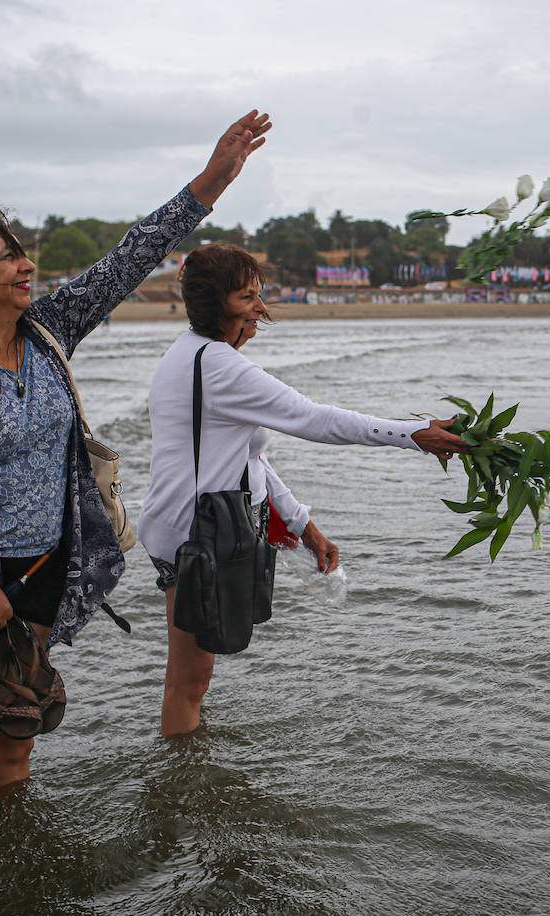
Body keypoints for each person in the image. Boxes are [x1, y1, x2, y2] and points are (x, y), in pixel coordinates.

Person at [0, 109, 273, 805]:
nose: (26, 264)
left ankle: (3, 879)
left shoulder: (50, 331)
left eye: (22, 251)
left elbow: (128, 258)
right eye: (6, 256)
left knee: (12, 741)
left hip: (39, 578)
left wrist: (209, 185)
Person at [138, 244, 468, 737]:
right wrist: (413, 434)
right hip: (196, 536)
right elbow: (316, 419)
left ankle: (185, 769)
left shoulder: (192, 353)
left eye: (258, 294)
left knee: (193, 674)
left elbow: (248, 458)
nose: (259, 306)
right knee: (190, 677)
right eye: (247, 296)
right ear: (215, 302)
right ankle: (176, 784)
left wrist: (303, 526)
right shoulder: (221, 367)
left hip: (186, 527)